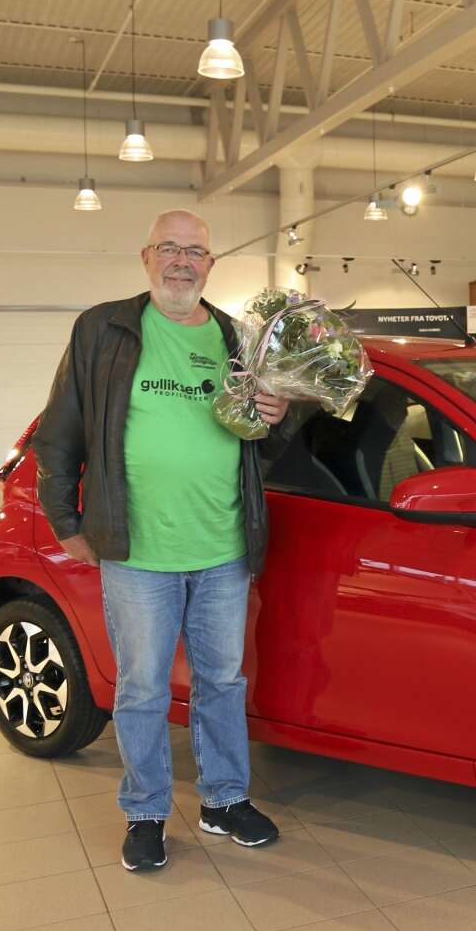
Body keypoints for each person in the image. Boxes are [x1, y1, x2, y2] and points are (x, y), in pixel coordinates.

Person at [34, 208, 289, 872]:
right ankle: (145, 811)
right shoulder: (104, 330)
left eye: (195, 251)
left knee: (222, 681)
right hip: (136, 551)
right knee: (143, 688)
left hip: (223, 546)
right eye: (169, 249)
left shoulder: (237, 338)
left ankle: (224, 800)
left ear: (211, 264)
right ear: (146, 257)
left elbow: (263, 444)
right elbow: (61, 430)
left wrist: (278, 416)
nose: (182, 261)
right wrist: (66, 522)